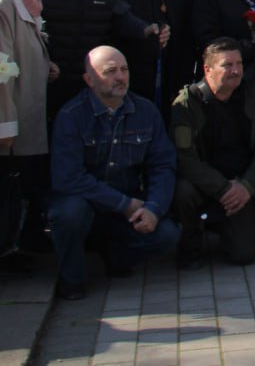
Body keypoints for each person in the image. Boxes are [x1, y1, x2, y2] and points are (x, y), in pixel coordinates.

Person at [47, 47, 180, 300]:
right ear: (90, 80)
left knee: (166, 235)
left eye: (124, 69)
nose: (120, 77)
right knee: (69, 214)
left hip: (126, 207)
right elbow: (68, 178)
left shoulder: (146, 111)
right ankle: (71, 280)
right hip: (87, 203)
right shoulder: (71, 116)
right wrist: (123, 203)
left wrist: (153, 208)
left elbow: (162, 165)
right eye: (110, 71)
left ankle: (115, 255)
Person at [170, 39, 255, 268]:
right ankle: (191, 245)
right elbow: (184, 157)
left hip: (242, 185)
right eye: (227, 65)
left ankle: (231, 228)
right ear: (207, 69)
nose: (235, 70)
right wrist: (222, 188)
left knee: (245, 254)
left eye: (239, 63)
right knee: (183, 190)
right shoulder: (186, 104)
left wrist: (247, 187)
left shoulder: (253, 95)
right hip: (207, 185)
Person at [0, 0, 62, 262]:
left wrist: (43, 61)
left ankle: (20, 244)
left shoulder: (23, 1)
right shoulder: (4, 1)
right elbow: (1, 68)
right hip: (11, 121)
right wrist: (5, 125)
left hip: (25, 111)